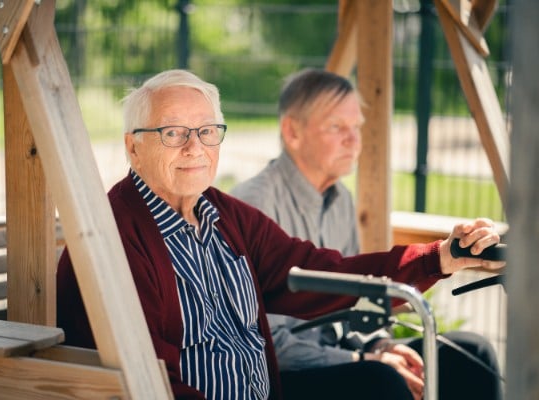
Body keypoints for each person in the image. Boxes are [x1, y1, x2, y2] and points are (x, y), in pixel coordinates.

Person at [56, 69, 504, 400]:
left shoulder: (224, 215)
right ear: (133, 145)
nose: (195, 148)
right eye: (173, 133)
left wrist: (439, 258)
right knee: (380, 385)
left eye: (208, 132)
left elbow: (318, 275)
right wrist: (365, 360)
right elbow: (144, 381)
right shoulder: (115, 235)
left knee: (465, 362)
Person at [231, 68, 503, 400]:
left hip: (344, 358)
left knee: (471, 355)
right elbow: (265, 343)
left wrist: (381, 342)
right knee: (383, 380)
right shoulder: (252, 206)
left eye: (357, 127)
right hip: (281, 375)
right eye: (337, 127)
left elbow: (357, 302)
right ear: (292, 132)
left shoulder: (341, 199)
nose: (354, 140)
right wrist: (363, 358)